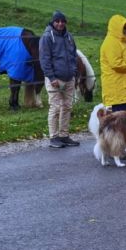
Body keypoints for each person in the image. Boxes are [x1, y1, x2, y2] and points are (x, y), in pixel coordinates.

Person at [39, 11, 81, 148]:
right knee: (55, 108)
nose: (60, 24)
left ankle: (64, 135)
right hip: (55, 79)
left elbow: (73, 55)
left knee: (67, 107)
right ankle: (53, 137)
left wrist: (74, 72)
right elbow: (44, 59)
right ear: (53, 22)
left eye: (62, 21)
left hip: (69, 78)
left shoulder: (69, 37)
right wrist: (51, 77)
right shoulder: (47, 37)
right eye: (57, 21)